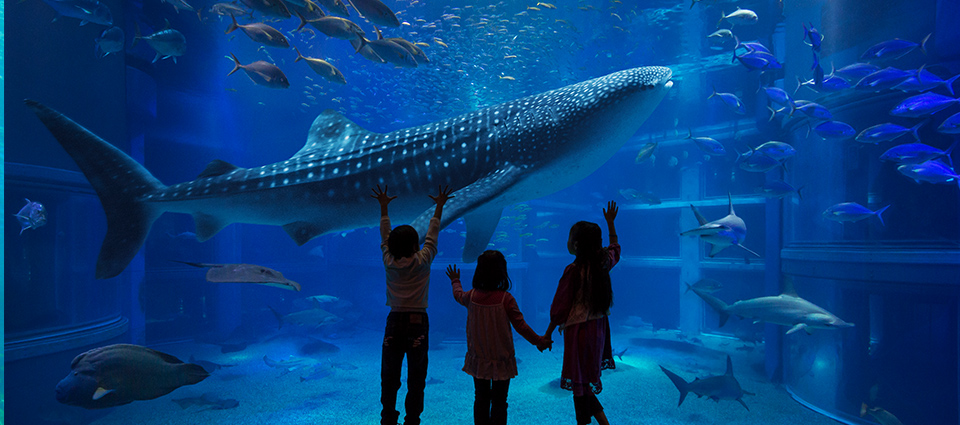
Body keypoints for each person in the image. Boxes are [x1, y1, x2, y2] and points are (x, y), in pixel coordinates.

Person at [372, 184, 453, 425]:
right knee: (417, 373)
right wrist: (439, 207)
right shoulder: (423, 260)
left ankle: (387, 416)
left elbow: (385, 236)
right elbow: (432, 235)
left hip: (394, 321)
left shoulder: (388, 261)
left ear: (392, 247)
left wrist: (384, 208)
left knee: (390, 371)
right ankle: (413, 418)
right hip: (418, 322)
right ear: (416, 245)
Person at [445, 252, 552, 425]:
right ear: (503, 272)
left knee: (480, 398)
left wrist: (455, 280)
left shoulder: (471, 296)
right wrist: (538, 341)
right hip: (501, 360)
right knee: (500, 401)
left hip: (479, 359)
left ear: (478, 272)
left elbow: (458, 294)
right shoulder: (506, 299)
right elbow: (521, 326)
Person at [545, 201, 620, 425]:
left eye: (569, 238)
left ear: (576, 245)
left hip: (578, 332)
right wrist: (611, 224)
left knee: (579, 383)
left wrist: (548, 332)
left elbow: (560, 306)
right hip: (599, 330)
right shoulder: (603, 264)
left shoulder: (573, 270)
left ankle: (583, 423)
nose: (566, 241)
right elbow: (616, 248)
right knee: (585, 382)